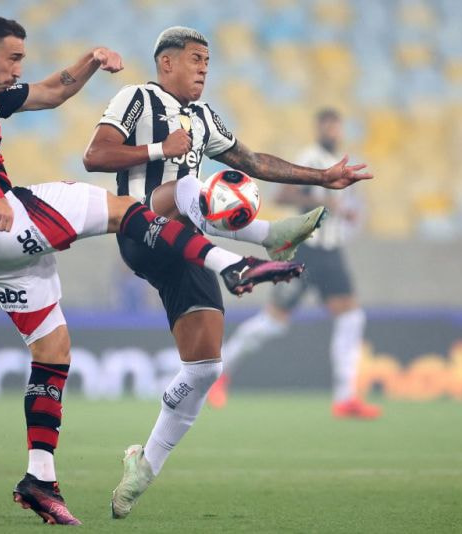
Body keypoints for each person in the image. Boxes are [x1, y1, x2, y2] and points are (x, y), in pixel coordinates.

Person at [0, 16, 361, 526]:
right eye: (13, 57)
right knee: (122, 205)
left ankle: (45, 478)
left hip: (1, 253)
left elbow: (49, 92)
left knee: (63, 353)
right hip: (14, 217)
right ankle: (247, 253)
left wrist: (324, 178)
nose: (19, 67)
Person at [82, 27, 373, 519]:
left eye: (208, 62)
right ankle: (265, 239)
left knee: (204, 370)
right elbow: (95, 155)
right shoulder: (136, 99)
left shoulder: (202, 117)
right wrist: (159, 152)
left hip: (187, 247)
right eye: (196, 59)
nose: (203, 69)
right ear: (167, 62)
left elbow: (253, 161)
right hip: (139, 224)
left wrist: (323, 178)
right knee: (189, 186)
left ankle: (142, 467)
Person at [212, 108, 381, 419]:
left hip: (331, 252)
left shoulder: (337, 161)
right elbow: (283, 194)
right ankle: (219, 374)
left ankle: (345, 397)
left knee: (352, 317)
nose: (332, 130)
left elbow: (335, 206)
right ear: (319, 128)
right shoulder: (311, 157)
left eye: (336, 125)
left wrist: (342, 213)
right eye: (327, 125)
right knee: (273, 322)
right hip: (308, 250)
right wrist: (320, 202)